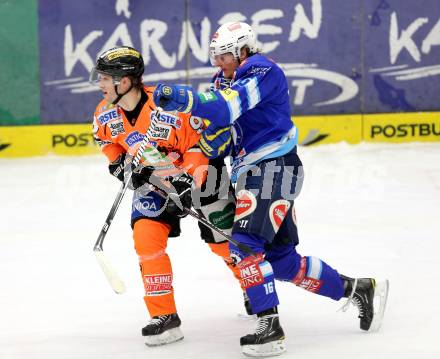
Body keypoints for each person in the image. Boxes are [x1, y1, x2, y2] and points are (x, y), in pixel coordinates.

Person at [153, 22, 389, 357]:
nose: (218, 63)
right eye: (215, 56)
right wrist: (185, 154)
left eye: (224, 56)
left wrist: (181, 97)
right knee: (282, 262)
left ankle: (270, 326)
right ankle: (358, 290)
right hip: (254, 172)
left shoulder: (263, 70)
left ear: (243, 51)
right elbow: (221, 129)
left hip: (274, 169)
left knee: (245, 246)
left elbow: (224, 108)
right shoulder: (224, 79)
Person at [90, 46, 243, 347]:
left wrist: (190, 182)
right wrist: (121, 167)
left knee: (222, 242)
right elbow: (109, 143)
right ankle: (165, 317)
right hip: (152, 180)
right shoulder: (105, 112)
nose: (101, 84)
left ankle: (253, 288)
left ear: (125, 82)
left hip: (201, 174)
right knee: (145, 238)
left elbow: (200, 147)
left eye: (106, 78)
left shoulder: (167, 108)